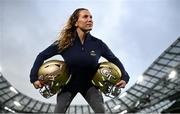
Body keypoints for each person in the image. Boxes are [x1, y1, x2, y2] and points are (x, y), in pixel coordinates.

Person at [30, 8, 130, 113]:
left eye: (91, 17)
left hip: (90, 85)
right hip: (68, 85)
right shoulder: (64, 43)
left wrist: (124, 77)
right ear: (76, 22)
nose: (90, 20)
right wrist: (33, 78)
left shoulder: (98, 44)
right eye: (85, 17)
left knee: (101, 111)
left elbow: (114, 59)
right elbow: (41, 56)